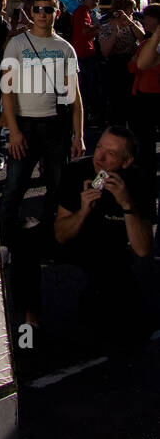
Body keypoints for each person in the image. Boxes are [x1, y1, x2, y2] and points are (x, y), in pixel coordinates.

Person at [54, 125, 156, 349]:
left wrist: (127, 205)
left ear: (127, 162)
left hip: (112, 253)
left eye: (111, 154)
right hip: (77, 245)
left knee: (136, 331)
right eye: (99, 147)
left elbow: (142, 249)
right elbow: (61, 236)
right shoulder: (76, 172)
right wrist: (83, 211)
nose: (99, 157)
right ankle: (33, 330)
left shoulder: (138, 181)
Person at [0, 0, 84, 249]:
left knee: (57, 186)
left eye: (48, 9)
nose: (42, 14)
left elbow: (75, 96)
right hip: (24, 123)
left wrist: (78, 135)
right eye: (37, 9)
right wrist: (14, 131)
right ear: (30, 12)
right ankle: (5, 242)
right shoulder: (17, 44)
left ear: (57, 13)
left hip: (56, 124)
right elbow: (7, 90)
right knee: (14, 185)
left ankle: (48, 238)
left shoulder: (65, 48)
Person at [130, 6, 160, 255]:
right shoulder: (152, 42)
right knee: (146, 158)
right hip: (146, 99)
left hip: (152, 98)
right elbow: (141, 63)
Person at [98, 0, 144, 125]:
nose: (133, 12)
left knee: (133, 102)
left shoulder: (134, 23)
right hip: (115, 66)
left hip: (132, 64)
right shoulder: (107, 26)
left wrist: (129, 23)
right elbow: (105, 51)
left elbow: (143, 39)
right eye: (131, 8)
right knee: (116, 103)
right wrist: (114, 31)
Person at [71, 0, 101, 124]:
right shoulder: (82, 12)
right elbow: (84, 31)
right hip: (83, 53)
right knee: (86, 87)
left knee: (87, 86)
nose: (96, 3)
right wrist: (97, 27)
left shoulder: (86, 12)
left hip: (86, 52)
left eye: (97, 1)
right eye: (94, 0)